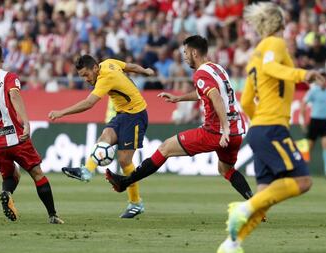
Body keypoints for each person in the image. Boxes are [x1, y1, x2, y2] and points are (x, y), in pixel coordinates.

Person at [217, 3, 325, 253]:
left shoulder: (256, 53)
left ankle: (232, 243)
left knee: (266, 194)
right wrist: (302, 75)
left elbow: (245, 101)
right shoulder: (275, 45)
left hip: (259, 129)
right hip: (272, 126)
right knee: (303, 180)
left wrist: (259, 123)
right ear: (281, 22)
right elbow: (271, 68)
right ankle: (243, 208)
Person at [105, 35, 254, 205]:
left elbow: (216, 97)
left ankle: (125, 182)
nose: (184, 56)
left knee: (165, 148)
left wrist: (225, 129)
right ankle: (255, 203)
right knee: (225, 169)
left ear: (194, 53)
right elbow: (204, 93)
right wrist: (178, 98)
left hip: (216, 132)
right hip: (236, 132)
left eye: (185, 52)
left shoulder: (200, 74)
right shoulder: (217, 69)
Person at [0, 42, 64, 224]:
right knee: (37, 174)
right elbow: (14, 96)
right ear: (2, 58)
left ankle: (6, 192)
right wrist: (26, 122)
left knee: (11, 175)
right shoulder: (8, 77)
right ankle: (52, 215)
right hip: (14, 136)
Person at [48, 55, 154, 218]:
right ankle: (86, 172)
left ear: (96, 68)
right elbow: (129, 66)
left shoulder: (106, 78)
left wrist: (61, 112)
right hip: (122, 114)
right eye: (82, 76)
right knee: (104, 139)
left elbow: (88, 103)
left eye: (86, 74)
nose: (85, 79)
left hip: (135, 115)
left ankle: (136, 203)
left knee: (125, 161)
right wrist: (145, 71)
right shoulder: (109, 63)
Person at [300, 73, 326, 178]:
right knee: (309, 148)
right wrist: (303, 121)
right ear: (317, 81)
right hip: (314, 121)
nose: (323, 81)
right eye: (320, 79)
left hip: (325, 121)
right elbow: (303, 104)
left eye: (324, 78)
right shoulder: (313, 91)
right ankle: (302, 171)